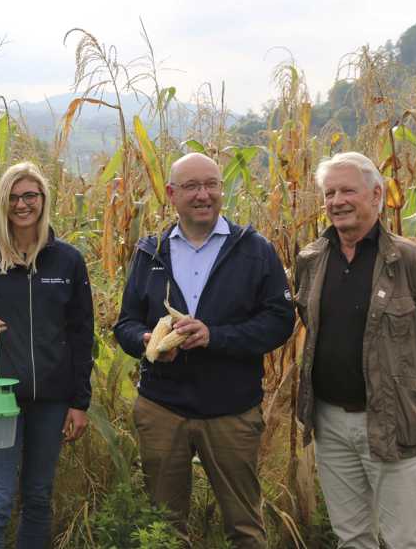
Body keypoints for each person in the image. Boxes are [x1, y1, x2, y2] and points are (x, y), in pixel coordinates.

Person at [113, 153, 295, 548]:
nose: (203, 195)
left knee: (245, 527)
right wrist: (148, 342)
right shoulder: (151, 251)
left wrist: (214, 336)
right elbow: (125, 324)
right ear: (171, 194)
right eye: (192, 186)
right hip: (163, 408)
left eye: (211, 184)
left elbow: (280, 321)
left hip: (230, 410)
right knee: (164, 527)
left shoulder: (254, 250)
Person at [295, 151, 416, 548]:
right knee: (351, 536)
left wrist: (409, 390)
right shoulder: (312, 259)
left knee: (404, 539)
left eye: (347, 190)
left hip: (392, 421)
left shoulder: (408, 259)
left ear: (376, 195)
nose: (337, 201)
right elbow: (312, 325)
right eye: (330, 192)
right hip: (329, 422)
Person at [0, 161, 94, 549]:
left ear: (43, 200)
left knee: (37, 497)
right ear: (2, 202)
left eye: (29, 195)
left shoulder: (68, 261)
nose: (21, 204)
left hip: (51, 400)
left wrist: (79, 402)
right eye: (13, 197)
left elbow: (83, 336)